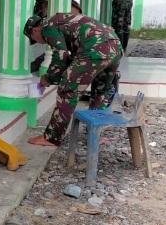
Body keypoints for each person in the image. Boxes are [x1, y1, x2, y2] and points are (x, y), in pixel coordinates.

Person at [23, 13, 123, 147]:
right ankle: (94, 134)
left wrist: (47, 78)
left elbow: (61, 55)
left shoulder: (47, 27)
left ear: (35, 30)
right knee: (100, 91)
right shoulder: (62, 21)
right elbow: (70, 57)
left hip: (95, 49)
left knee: (67, 90)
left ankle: (52, 137)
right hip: (115, 46)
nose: (39, 42)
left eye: (34, 39)